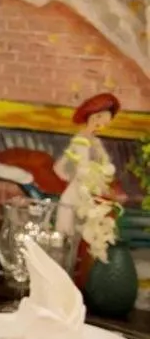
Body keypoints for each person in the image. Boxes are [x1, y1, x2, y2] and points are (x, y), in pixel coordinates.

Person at [55, 92, 122, 235]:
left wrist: (105, 176)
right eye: (99, 121)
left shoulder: (96, 142)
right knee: (68, 229)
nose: (100, 126)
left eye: (104, 124)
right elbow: (82, 169)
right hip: (78, 191)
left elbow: (106, 164)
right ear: (92, 116)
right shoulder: (81, 140)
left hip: (89, 192)